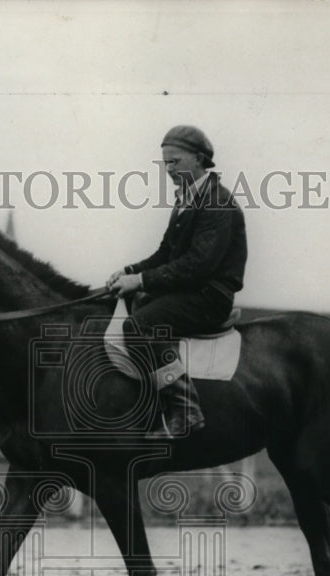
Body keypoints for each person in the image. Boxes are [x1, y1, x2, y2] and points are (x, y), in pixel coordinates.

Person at [106, 125, 247, 437]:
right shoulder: (187, 199)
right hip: (187, 291)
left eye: (174, 162)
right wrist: (130, 272)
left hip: (209, 295)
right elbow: (165, 254)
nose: (168, 170)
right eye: (165, 163)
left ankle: (184, 408)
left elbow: (198, 265)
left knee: (139, 327)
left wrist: (140, 280)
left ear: (199, 160)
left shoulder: (217, 203)